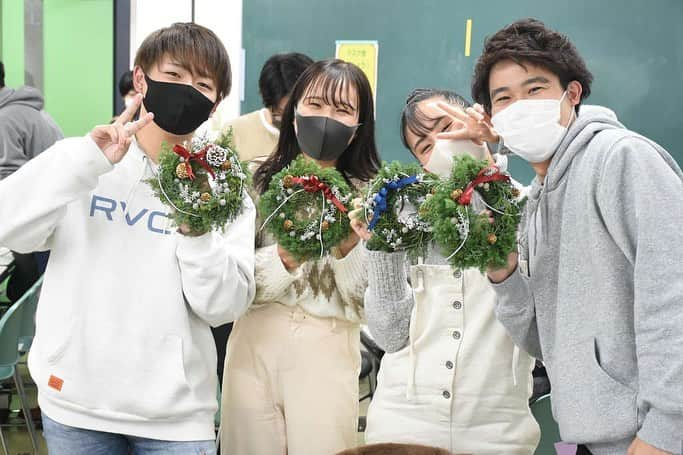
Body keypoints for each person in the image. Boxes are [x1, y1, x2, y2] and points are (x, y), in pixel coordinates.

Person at [0, 22, 256, 455]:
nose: (186, 90)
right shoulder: (84, 160)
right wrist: (85, 162)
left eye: (203, 84)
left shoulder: (223, 192)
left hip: (176, 421)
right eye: (173, 75)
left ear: (214, 105)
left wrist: (195, 230)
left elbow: (223, 308)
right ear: (141, 79)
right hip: (76, 407)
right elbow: (9, 226)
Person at [441, 18, 683, 455]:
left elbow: (674, 298)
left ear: (571, 95)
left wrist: (666, 430)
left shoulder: (622, 159)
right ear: (493, 119)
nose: (520, 106)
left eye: (535, 90)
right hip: (593, 437)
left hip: (650, 439)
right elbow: (543, 339)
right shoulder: (536, 198)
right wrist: (505, 275)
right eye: (505, 98)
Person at [350, 88, 539, 454]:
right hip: (404, 424)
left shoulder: (529, 208)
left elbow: (540, 333)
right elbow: (390, 338)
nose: (439, 145)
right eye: (423, 146)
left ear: (478, 120)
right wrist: (381, 249)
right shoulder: (404, 219)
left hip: (498, 429)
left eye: (446, 127)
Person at [220, 59, 380, 455]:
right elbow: (231, 277)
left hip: (329, 348)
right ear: (294, 115)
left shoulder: (373, 196)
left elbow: (367, 302)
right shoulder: (256, 181)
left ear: (359, 126)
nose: (327, 118)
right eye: (316, 104)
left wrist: (348, 249)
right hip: (253, 343)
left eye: (343, 110)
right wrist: (284, 258)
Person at [0, 61, 63, 302]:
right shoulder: (27, 110)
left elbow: (8, 182)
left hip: (36, 224)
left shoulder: (5, 118)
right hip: (50, 218)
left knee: (26, 292)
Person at [210, 52, 314, 163]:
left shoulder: (320, 136)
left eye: (296, 111)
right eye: (281, 112)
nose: (291, 121)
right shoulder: (235, 131)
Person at [0, 61, 63, 180]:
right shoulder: (32, 108)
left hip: (33, 194)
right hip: (54, 189)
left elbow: (8, 179)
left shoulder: (4, 119)